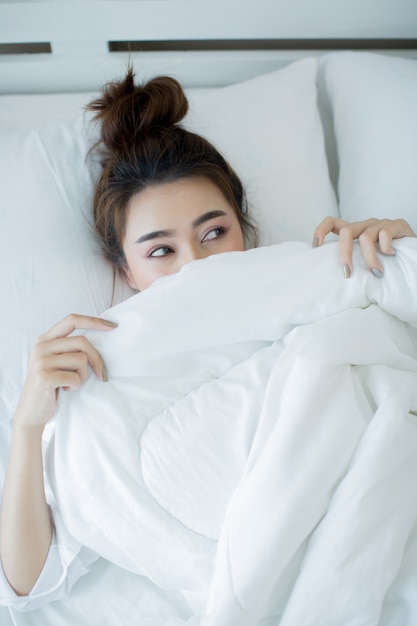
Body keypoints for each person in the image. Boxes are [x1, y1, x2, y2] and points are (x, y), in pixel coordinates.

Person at [0, 67, 415, 602]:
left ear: (245, 228)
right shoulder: (98, 382)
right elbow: (26, 583)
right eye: (160, 251)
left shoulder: (321, 277)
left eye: (214, 233)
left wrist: (396, 255)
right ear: (126, 271)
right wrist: (28, 427)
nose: (194, 265)